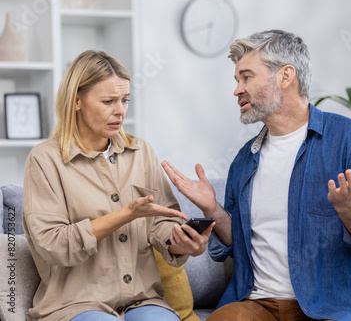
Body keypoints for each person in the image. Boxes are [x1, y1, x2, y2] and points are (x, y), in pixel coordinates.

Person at [162, 30, 351, 320]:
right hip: (255, 304)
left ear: (286, 76)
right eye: (237, 80)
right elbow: (236, 245)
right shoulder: (245, 159)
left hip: (329, 308)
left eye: (247, 77)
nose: (237, 90)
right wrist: (212, 209)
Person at [22, 50, 213, 321]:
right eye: (109, 101)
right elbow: (53, 245)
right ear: (77, 101)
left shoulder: (141, 152)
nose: (120, 110)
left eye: (125, 100)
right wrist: (126, 214)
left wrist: (181, 242)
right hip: (75, 304)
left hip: (142, 299)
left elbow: (160, 223)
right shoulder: (44, 160)